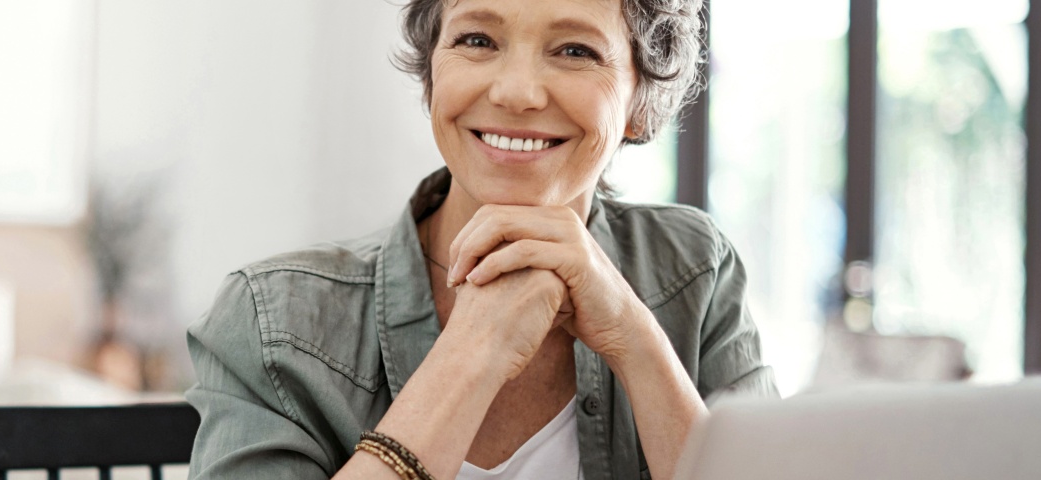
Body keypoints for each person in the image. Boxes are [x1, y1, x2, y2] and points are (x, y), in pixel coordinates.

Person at [185, 0, 778, 478]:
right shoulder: (273, 321)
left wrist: (632, 334)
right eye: (477, 41)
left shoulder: (694, 270)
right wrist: (472, 355)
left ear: (640, 102)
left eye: (575, 50)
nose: (516, 92)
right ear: (430, 76)